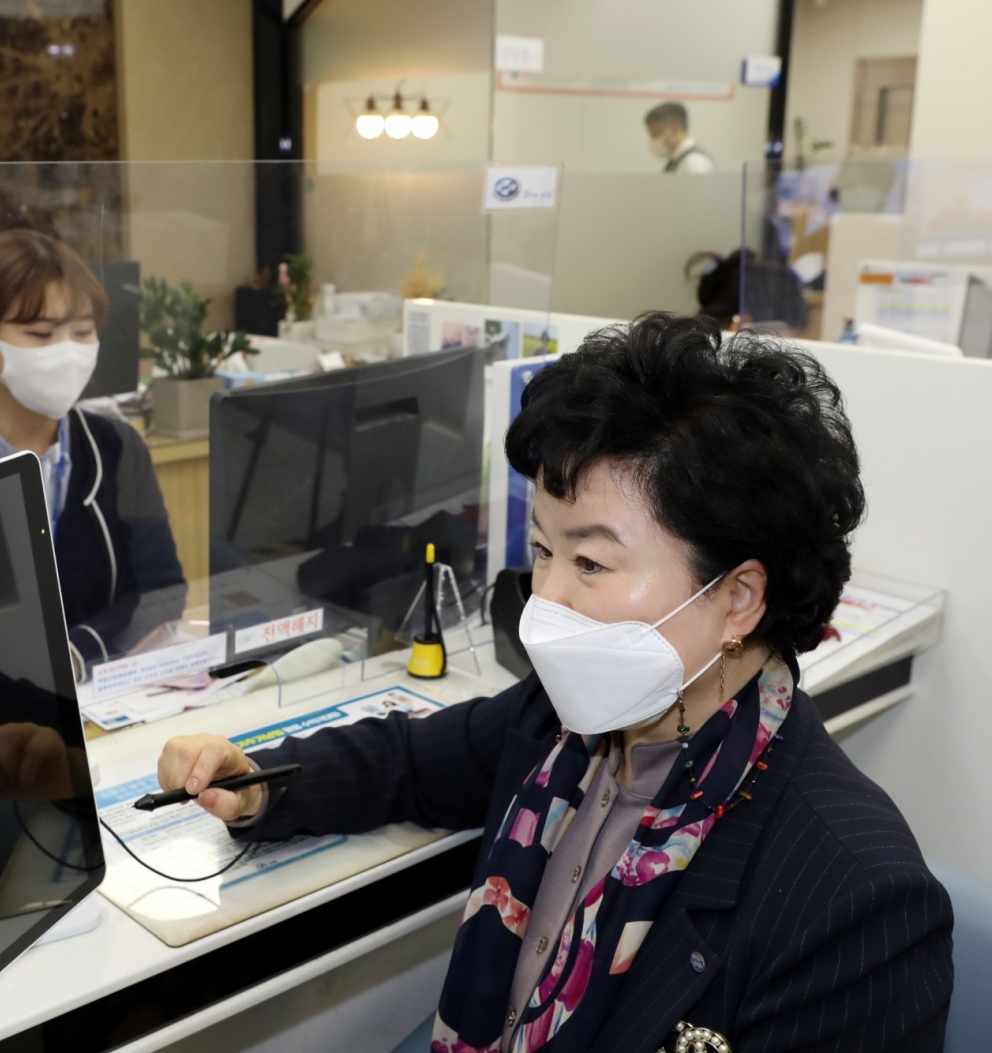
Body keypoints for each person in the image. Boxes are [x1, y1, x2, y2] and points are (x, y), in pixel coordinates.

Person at [156, 314, 953, 1052]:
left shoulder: (856, 902)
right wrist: (256, 782)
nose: (548, 598)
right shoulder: (563, 732)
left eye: (592, 563)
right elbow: (410, 759)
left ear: (738, 597)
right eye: (543, 550)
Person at [0, 229, 185, 671]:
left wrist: (75, 655)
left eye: (82, 332)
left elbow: (161, 589)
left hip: (99, 687)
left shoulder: (116, 447)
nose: (66, 352)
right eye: (41, 333)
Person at [646, 102, 716, 174]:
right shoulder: (676, 161)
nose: (653, 139)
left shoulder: (694, 163)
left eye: (655, 133)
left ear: (675, 128)